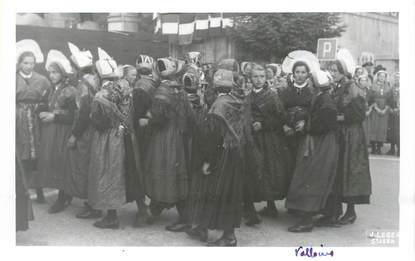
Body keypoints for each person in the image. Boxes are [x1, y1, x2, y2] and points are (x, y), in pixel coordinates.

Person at [187, 69, 246, 246]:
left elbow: (213, 138)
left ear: (215, 86)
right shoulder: (237, 101)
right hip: (235, 152)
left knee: (216, 192)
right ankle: (203, 227)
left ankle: (228, 236)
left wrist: (207, 161)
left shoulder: (218, 106)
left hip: (221, 155)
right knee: (228, 193)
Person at [319, 59, 372, 227]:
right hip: (339, 133)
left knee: (349, 171)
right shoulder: (334, 86)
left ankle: (350, 211)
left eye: (336, 70)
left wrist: (339, 117)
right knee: (336, 171)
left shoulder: (352, 86)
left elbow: (359, 113)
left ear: (343, 71)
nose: (333, 73)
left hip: (351, 135)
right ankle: (333, 212)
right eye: (331, 70)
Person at [285, 70, 338, 232]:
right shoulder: (321, 97)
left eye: (310, 81)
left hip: (321, 144)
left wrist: (305, 125)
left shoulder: (326, 101)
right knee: (313, 177)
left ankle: (307, 220)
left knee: (311, 178)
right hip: (319, 142)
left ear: (316, 84)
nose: (308, 83)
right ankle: (320, 215)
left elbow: (325, 124)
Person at [145, 57, 193, 232]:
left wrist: (148, 117)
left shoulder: (161, 91)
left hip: (165, 138)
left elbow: (158, 118)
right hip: (179, 136)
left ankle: (182, 217)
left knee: (164, 171)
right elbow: (189, 114)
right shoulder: (179, 89)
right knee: (177, 173)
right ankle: (156, 208)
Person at [88, 48, 127, 229]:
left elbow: (98, 122)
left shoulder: (100, 95)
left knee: (105, 173)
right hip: (119, 136)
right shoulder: (123, 88)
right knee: (115, 174)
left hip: (105, 139)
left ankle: (111, 217)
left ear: (99, 75)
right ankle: (113, 214)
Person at [247, 64, 291, 219]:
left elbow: (281, 117)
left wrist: (264, 124)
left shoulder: (272, 96)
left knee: (269, 169)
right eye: (255, 77)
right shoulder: (248, 96)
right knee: (254, 169)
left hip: (268, 139)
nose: (258, 80)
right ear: (250, 78)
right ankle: (251, 207)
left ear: (266, 78)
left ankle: (271, 205)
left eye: (261, 77)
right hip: (253, 138)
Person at [38, 50, 78, 214]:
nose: (52, 75)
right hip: (51, 131)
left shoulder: (70, 90)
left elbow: (73, 115)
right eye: (50, 72)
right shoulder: (51, 88)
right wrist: (40, 110)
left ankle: (63, 197)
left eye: (55, 72)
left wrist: (54, 116)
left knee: (62, 162)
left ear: (62, 73)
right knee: (53, 161)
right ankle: (63, 195)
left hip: (63, 131)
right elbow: (45, 103)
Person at [66, 43, 102, 219]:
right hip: (96, 129)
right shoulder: (97, 78)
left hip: (86, 131)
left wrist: (74, 135)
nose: (71, 71)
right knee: (94, 166)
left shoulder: (83, 85)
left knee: (85, 166)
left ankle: (92, 205)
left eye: (72, 67)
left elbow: (84, 112)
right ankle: (94, 203)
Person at [16, 50, 51, 203]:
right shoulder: (12, 77)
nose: (29, 66)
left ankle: (39, 189)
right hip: (18, 118)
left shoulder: (42, 79)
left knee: (38, 153)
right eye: (25, 63)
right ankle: (21, 190)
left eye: (32, 63)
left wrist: (42, 108)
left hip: (37, 118)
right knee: (20, 152)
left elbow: (49, 97)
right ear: (19, 63)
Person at [132, 54, 159, 226]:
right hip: (154, 130)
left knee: (138, 168)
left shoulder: (139, 87)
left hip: (141, 132)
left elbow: (136, 115)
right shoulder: (154, 84)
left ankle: (143, 209)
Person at [279, 61, 314, 190]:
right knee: (288, 164)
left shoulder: (312, 92)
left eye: (303, 72)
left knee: (302, 164)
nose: (300, 75)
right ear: (293, 74)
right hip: (287, 133)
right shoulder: (285, 91)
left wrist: (306, 122)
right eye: (297, 72)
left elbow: (314, 111)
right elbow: (279, 111)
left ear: (307, 75)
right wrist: (283, 125)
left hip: (304, 133)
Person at [367, 70, 391, 154]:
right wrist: (376, 108)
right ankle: (373, 147)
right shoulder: (373, 86)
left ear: (385, 78)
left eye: (384, 76)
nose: (382, 78)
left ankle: (379, 147)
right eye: (380, 76)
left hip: (384, 109)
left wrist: (385, 109)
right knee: (374, 127)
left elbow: (390, 100)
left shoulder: (388, 87)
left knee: (382, 128)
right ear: (377, 77)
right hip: (375, 109)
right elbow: (370, 98)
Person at [386, 72, 400, 156]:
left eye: (399, 78)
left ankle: (400, 149)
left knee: (399, 131)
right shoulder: (391, 88)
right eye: (396, 78)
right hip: (392, 112)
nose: (397, 79)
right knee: (392, 131)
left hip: (400, 112)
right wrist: (391, 108)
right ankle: (392, 148)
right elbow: (389, 100)